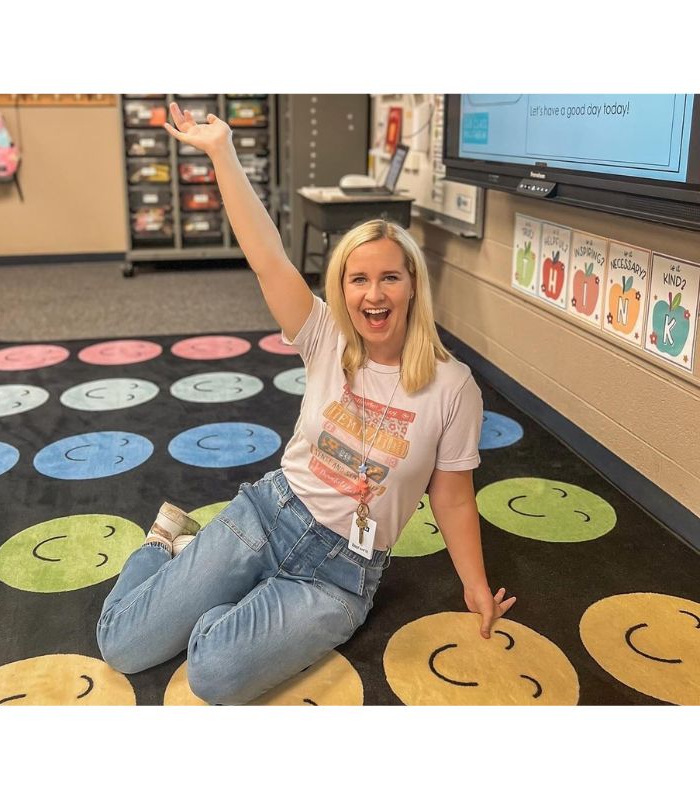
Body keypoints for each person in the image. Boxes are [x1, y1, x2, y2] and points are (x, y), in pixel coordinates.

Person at [96, 102, 516, 705]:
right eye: (357, 279)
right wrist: (222, 154)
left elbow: (451, 496)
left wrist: (475, 585)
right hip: (268, 516)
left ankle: (200, 576)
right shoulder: (326, 337)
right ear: (341, 287)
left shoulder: (454, 388)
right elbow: (267, 258)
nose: (373, 294)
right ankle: (163, 546)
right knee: (120, 645)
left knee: (213, 674)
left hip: (339, 576)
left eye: (389, 278)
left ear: (414, 285)